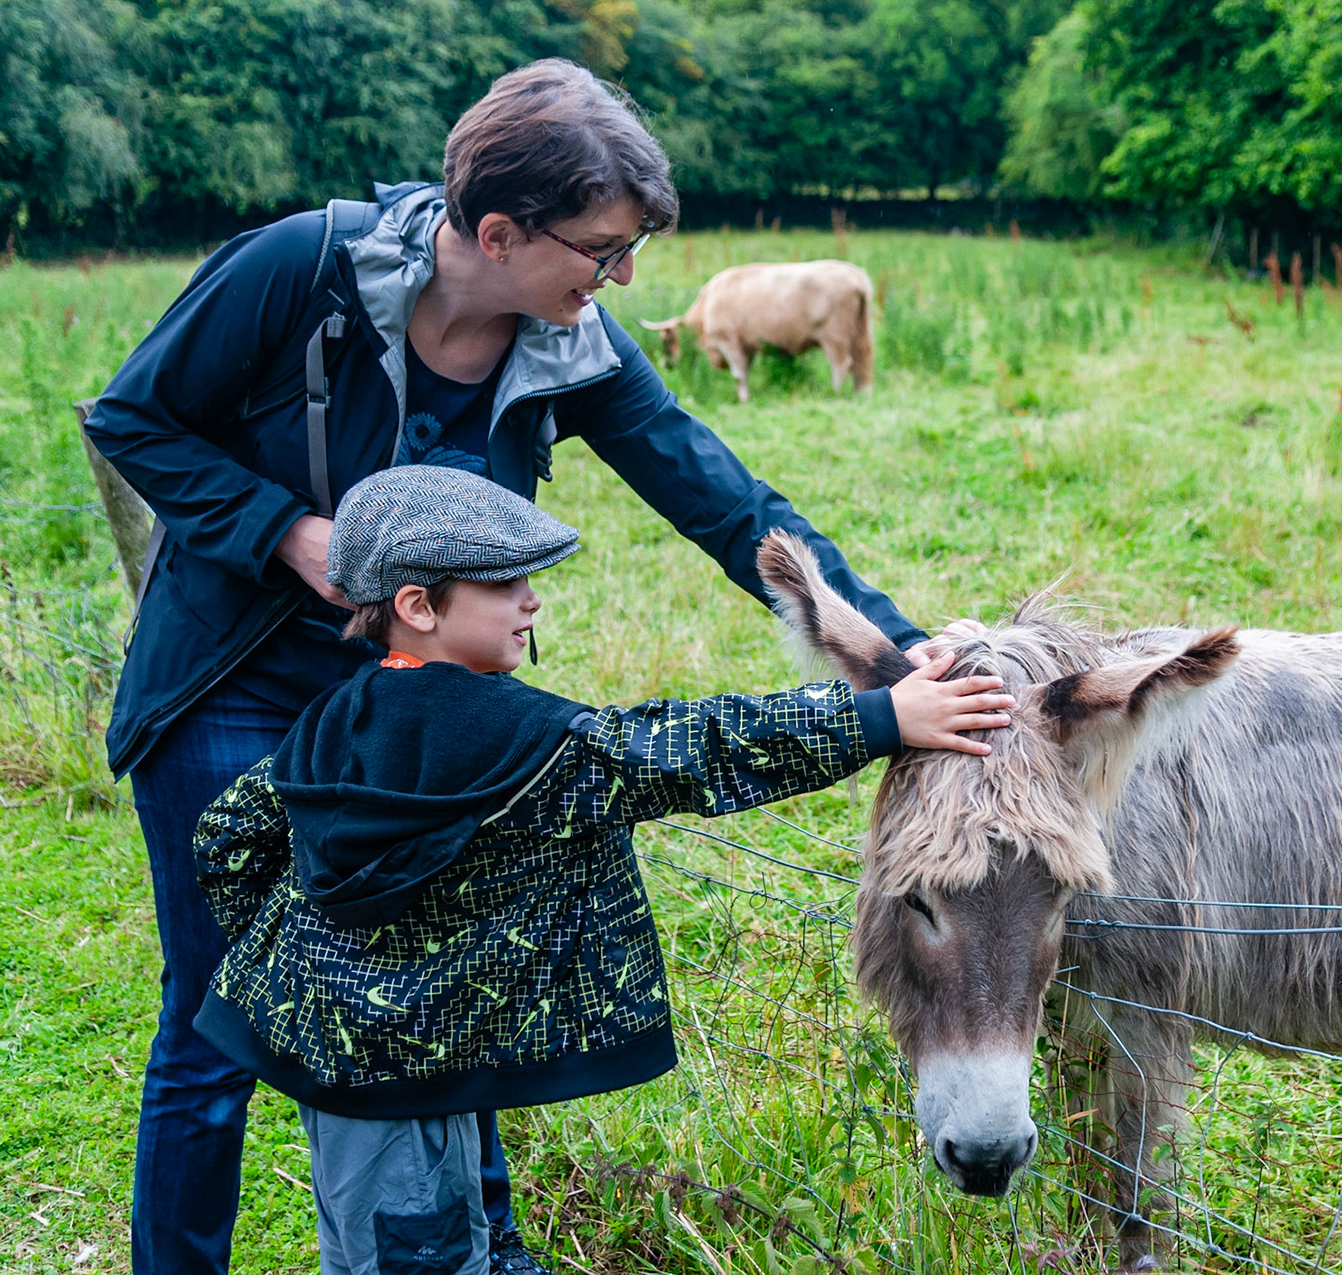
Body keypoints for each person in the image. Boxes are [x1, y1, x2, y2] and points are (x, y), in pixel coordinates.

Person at [81, 58, 969, 1275]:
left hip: (425, 711)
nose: (623, 278)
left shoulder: (574, 342)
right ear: (498, 232)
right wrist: (288, 533)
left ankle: (481, 1252)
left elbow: (722, 498)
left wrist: (896, 653)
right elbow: (132, 416)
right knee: (212, 1019)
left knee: (450, 986)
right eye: (603, 250)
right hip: (232, 688)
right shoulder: (299, 269)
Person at [189, 467, 1013, 1274]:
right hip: (406, 1085)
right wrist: (877, 718)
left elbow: (225, 836)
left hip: (342, 1074)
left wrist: (304, 967)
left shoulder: (337, 715)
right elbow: (679, 751)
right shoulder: (506, 737)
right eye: (503, 583)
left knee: (373, 1245)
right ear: (418, 606)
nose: (531, 600)